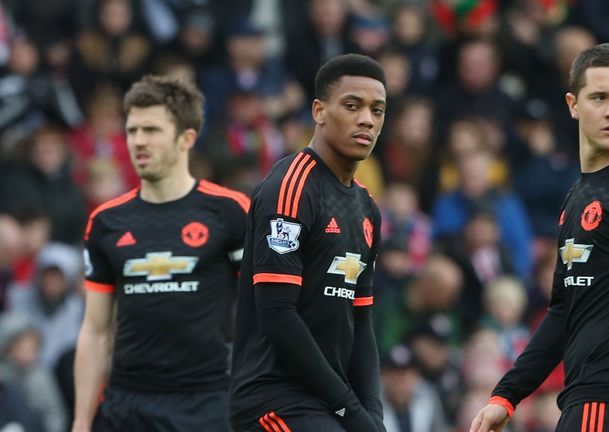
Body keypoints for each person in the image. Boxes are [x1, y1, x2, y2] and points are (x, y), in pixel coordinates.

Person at [470, 43, 609, 432]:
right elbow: (564, 312)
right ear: (573, 104)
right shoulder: (580, 195)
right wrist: (507, 395)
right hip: (585, 403)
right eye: (599, 97)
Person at [71, 75, 249, 432]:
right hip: (126, 406)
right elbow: (95, 330)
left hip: (206, 404)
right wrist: (81, 420)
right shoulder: (106, 221)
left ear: (186, 139)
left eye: (151, 130)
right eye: (132, 130)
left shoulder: (231, 211)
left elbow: (265, 312)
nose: (138, 141)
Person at [229, 53, 387, 432]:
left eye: (377, 110)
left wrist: (373, 415)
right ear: (319, 110)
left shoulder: (367, 207)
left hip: (329, 402)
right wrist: (352, 411)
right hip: (273, 400)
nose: (367, 119)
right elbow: (279, 317)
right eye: (352, 106)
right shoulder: (291, 187)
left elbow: (361, 322)